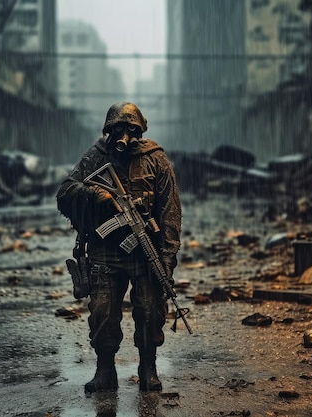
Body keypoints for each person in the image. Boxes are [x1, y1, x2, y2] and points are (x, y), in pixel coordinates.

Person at [56, 102, 182, 393]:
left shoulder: (156, 159)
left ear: (139, 130)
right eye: (118, 129)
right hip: (105, 250)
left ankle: (148, 367)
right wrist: (93, 194)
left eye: (130, 129)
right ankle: (105, 370)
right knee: (102, 312)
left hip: (145, 250)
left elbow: (170, 211)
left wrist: (167, 256)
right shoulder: (96, 156)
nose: (124, 135)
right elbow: (65, 193)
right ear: (108, 130)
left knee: (151, 312)